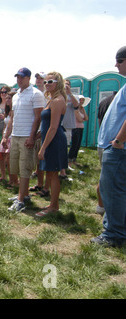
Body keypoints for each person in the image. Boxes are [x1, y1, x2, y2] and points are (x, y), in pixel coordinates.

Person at [91, 46, 126, 247]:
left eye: (119, 60)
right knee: (117, 189)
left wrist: (119, 141)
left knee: (112, 190)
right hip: (116, 148)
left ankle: (113, 234)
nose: (116, 64)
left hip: (118, 149)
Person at [2, 67, 45, 213]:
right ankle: (24, 194)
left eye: (22, 77)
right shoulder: (15, 96)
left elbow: (38, 117)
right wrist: (6, 135)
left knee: (25, 167)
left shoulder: (36, 94)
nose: (19, 80)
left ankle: (21, 200)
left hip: (27, 135)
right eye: (17, 77)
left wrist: (32, 136)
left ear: (28, 78)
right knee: (14, 166)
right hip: (15, 135)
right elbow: (12, 117)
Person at [36, 72, 68, 217]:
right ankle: (53, 204)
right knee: (50, 173)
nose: (47, 84)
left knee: (53, 174)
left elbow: (53, 127)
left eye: (50, 81)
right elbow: (47, 125)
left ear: (58, 83)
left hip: (54, 140)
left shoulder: (57, 101)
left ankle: (54, 207)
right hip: (50, 138)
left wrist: (43, 148)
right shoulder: (51, 99)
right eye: (45, 82)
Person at [59, 80, 80, 179]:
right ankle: (59, 168)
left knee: (64, 148)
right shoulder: (58, 96)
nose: (65, 86)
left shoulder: (73, 97)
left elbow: (77, 106)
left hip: (67, 126)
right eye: (64, 84)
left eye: (67, 84)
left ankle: (63, 170)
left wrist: (70, 94)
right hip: (58, 125)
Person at [0, 87, 13, 184]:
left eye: (9, 98)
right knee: (0, 155)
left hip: (12, 137)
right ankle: (3, 176)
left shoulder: (14, 110)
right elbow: (5, 126)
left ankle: (12, 180)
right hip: (5, 136)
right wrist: (3, 137)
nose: (7, 99)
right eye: (7, 97)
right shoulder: (7, 110)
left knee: (9, 160)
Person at [68, 95, 89, 167]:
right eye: (80, 100)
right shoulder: (75, 109)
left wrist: (83, 111)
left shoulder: (82, 109)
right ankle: (69, 160)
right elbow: (79, 119)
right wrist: (82, 119)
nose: (82, 102)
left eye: (83, 100)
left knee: (78, 145)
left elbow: (86, 118)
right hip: (75, 128)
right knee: (74, 144)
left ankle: (74, 159)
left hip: (81, 128)